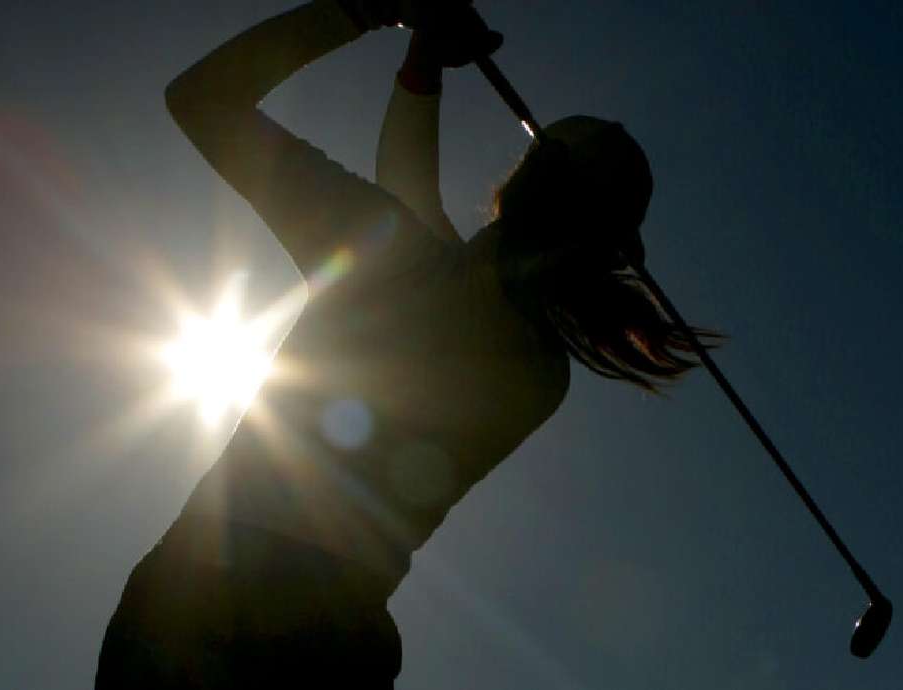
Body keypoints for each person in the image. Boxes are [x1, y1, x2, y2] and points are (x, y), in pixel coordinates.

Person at [96, 1, 717, 687]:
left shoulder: (399, 259)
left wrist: (367, 9)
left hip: (195, 610)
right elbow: (418, 212)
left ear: (521, 184)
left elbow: (201, 100)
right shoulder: (542, 376)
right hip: (332, 642)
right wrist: (420, 67)